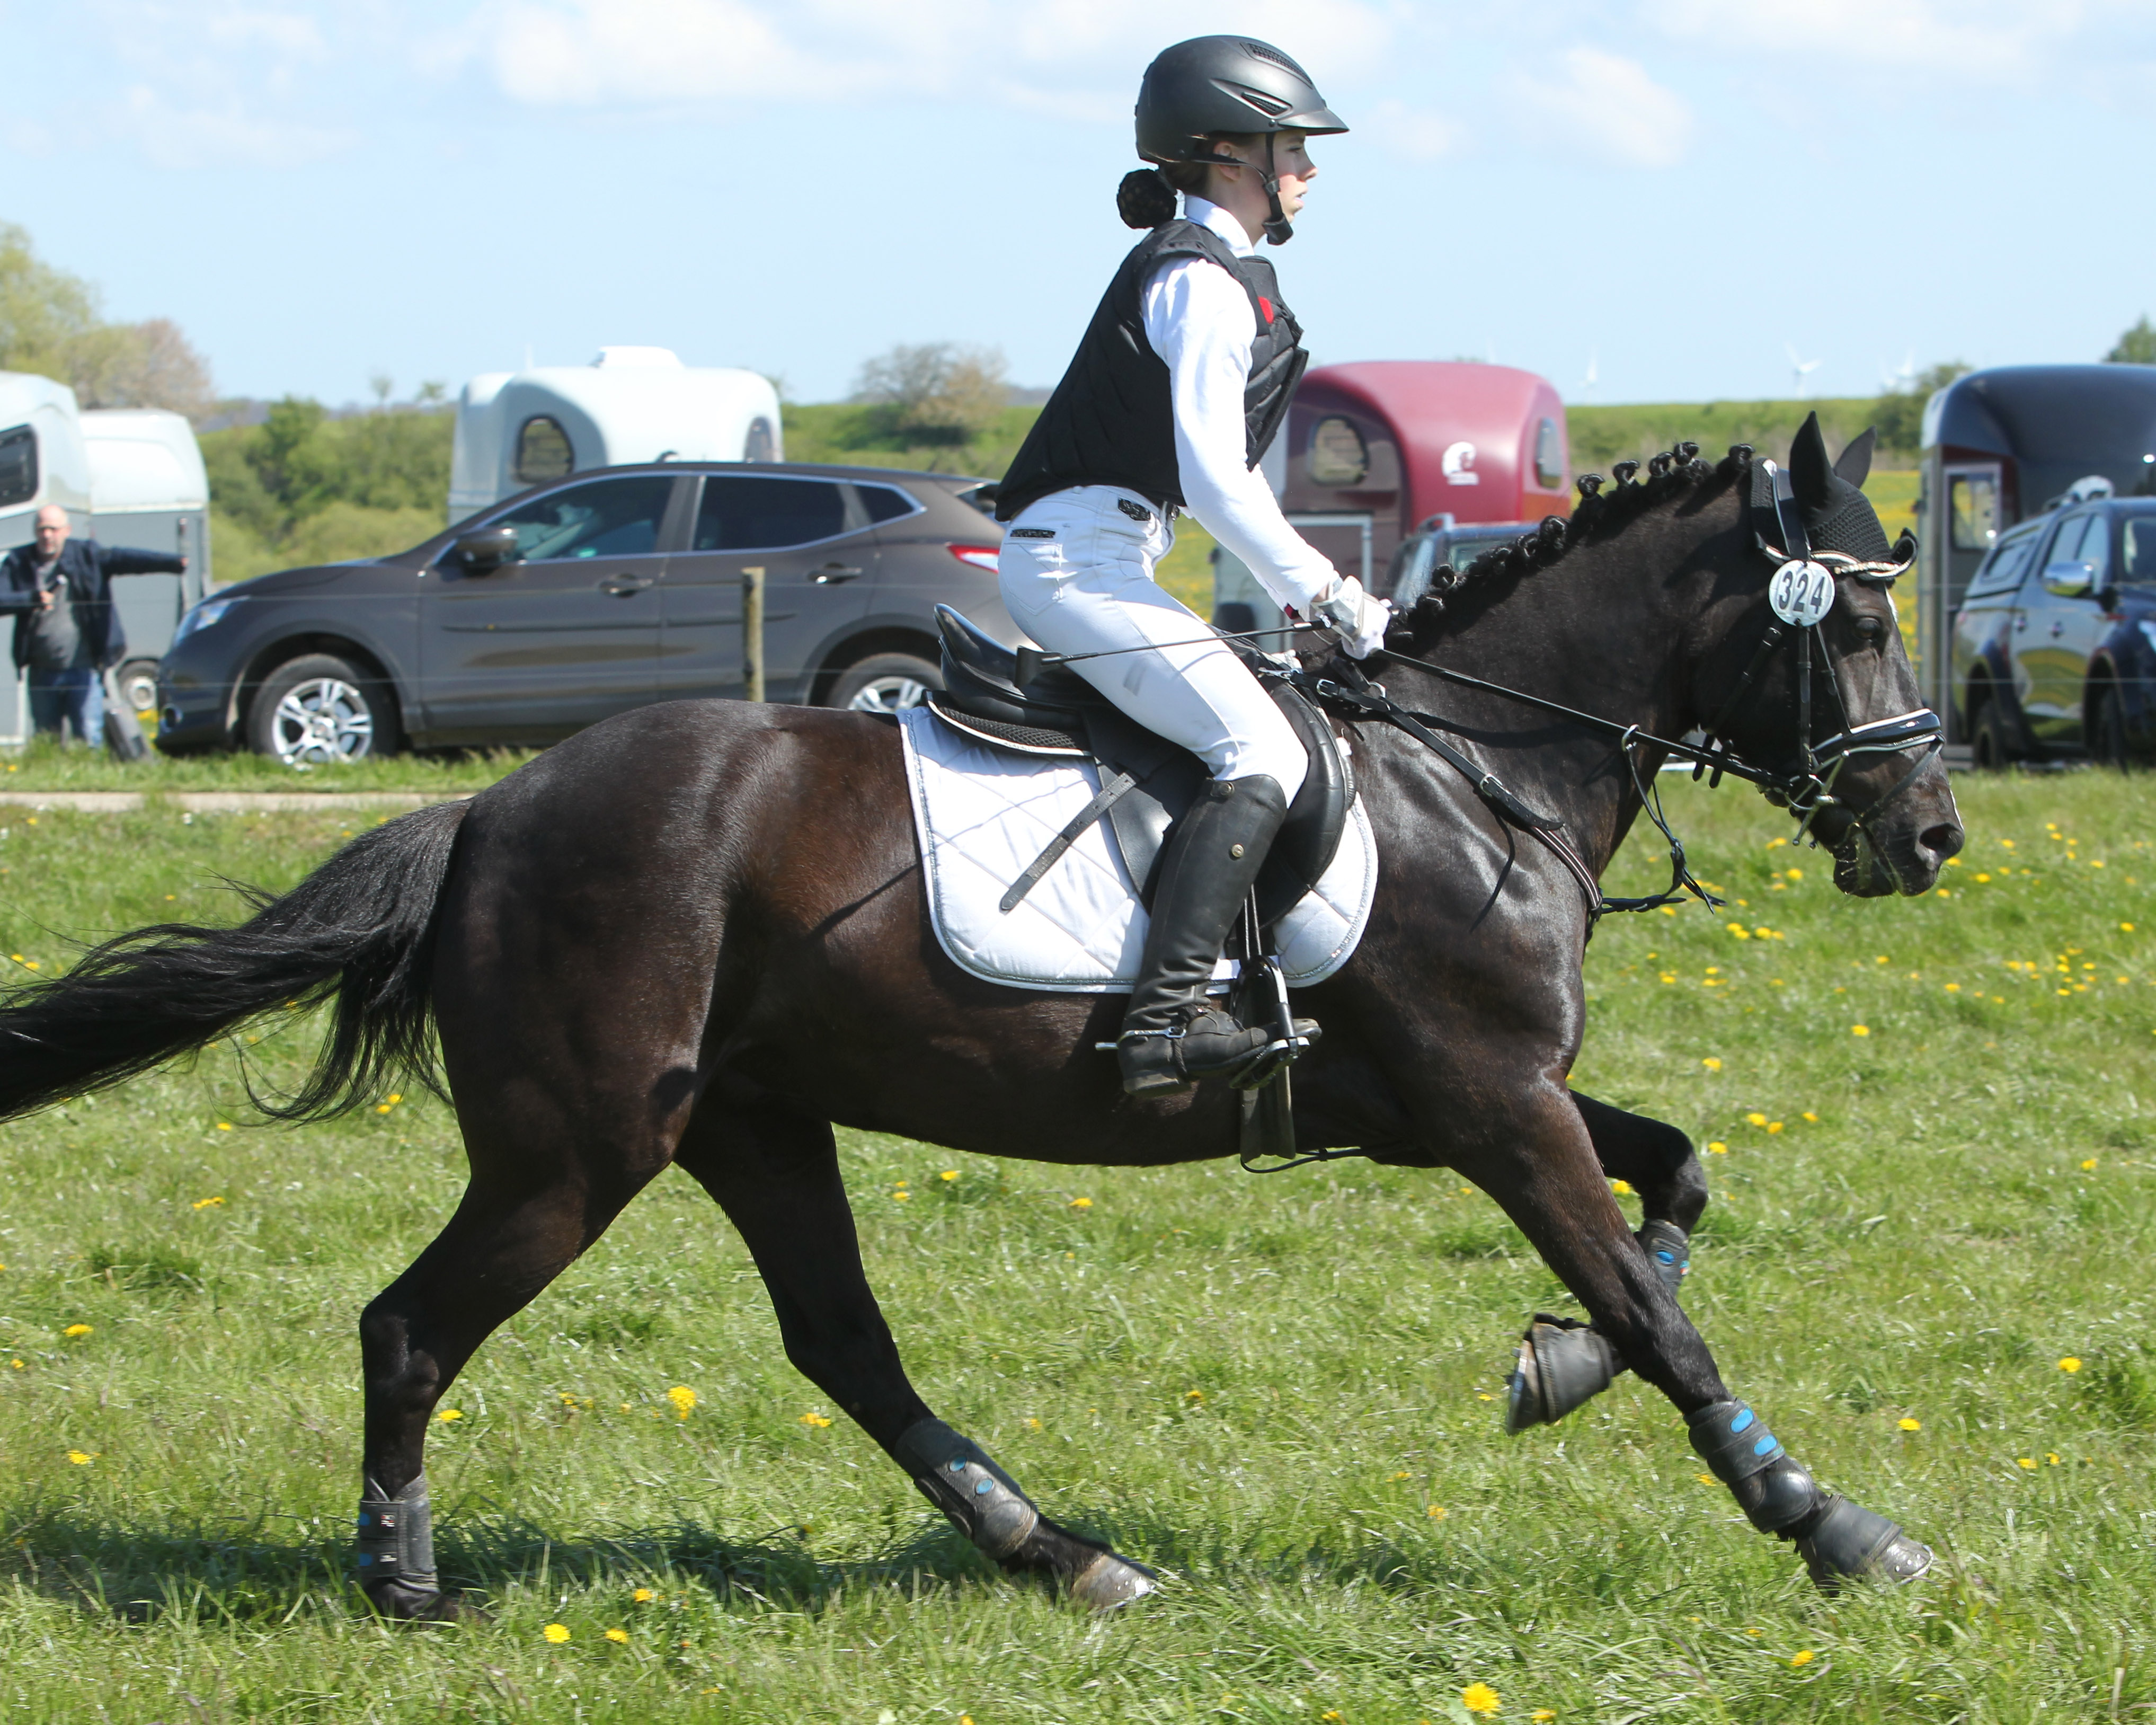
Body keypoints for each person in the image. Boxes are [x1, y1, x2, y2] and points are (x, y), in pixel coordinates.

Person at [995, 35, 1390, 1099]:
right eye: (1291, 145)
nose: (1309, 166)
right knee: (1258, 746)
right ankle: (1164, 1024)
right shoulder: (1200, 286)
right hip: (1077, 563)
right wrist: (1334, 595)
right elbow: (1218, 484)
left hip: (1109, 555)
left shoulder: (1218, 275)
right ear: (1230, 154)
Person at [0, 506, 185, 746]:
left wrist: (173, 563)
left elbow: (126, 559)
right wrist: (30, 599)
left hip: (83, 668)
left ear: (66, 531)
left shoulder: (86, 555)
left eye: (53, 529)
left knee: (88, 735)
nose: (47, 535)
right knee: (47, 739)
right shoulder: (19, 562)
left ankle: (88, 780)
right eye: (42, 529)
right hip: (41, 669)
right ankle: (50, 780)